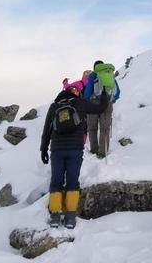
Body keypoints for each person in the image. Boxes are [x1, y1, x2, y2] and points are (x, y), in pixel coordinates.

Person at [40, 83, 108, 228]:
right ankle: (70, 216)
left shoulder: (54, 106)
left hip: (57, 149)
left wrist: (43, 150)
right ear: (75, 93)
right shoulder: (80, 102)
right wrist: (103, 96)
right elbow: (99, 109)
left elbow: (47, 129)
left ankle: (55, 215)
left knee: (56, 181)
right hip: (75, 148)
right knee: (72, 181)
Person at [83, 60, 121, 159]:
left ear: (94, 67)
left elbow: (87, 93)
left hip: (93, 103)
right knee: (105, 128)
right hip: (107, 102)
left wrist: (87, 101)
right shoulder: (110, 74)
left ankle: (94, 149)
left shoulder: (93, 75)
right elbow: (117, 92)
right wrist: (112, 100)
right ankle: (103, 152)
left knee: (92, 127)